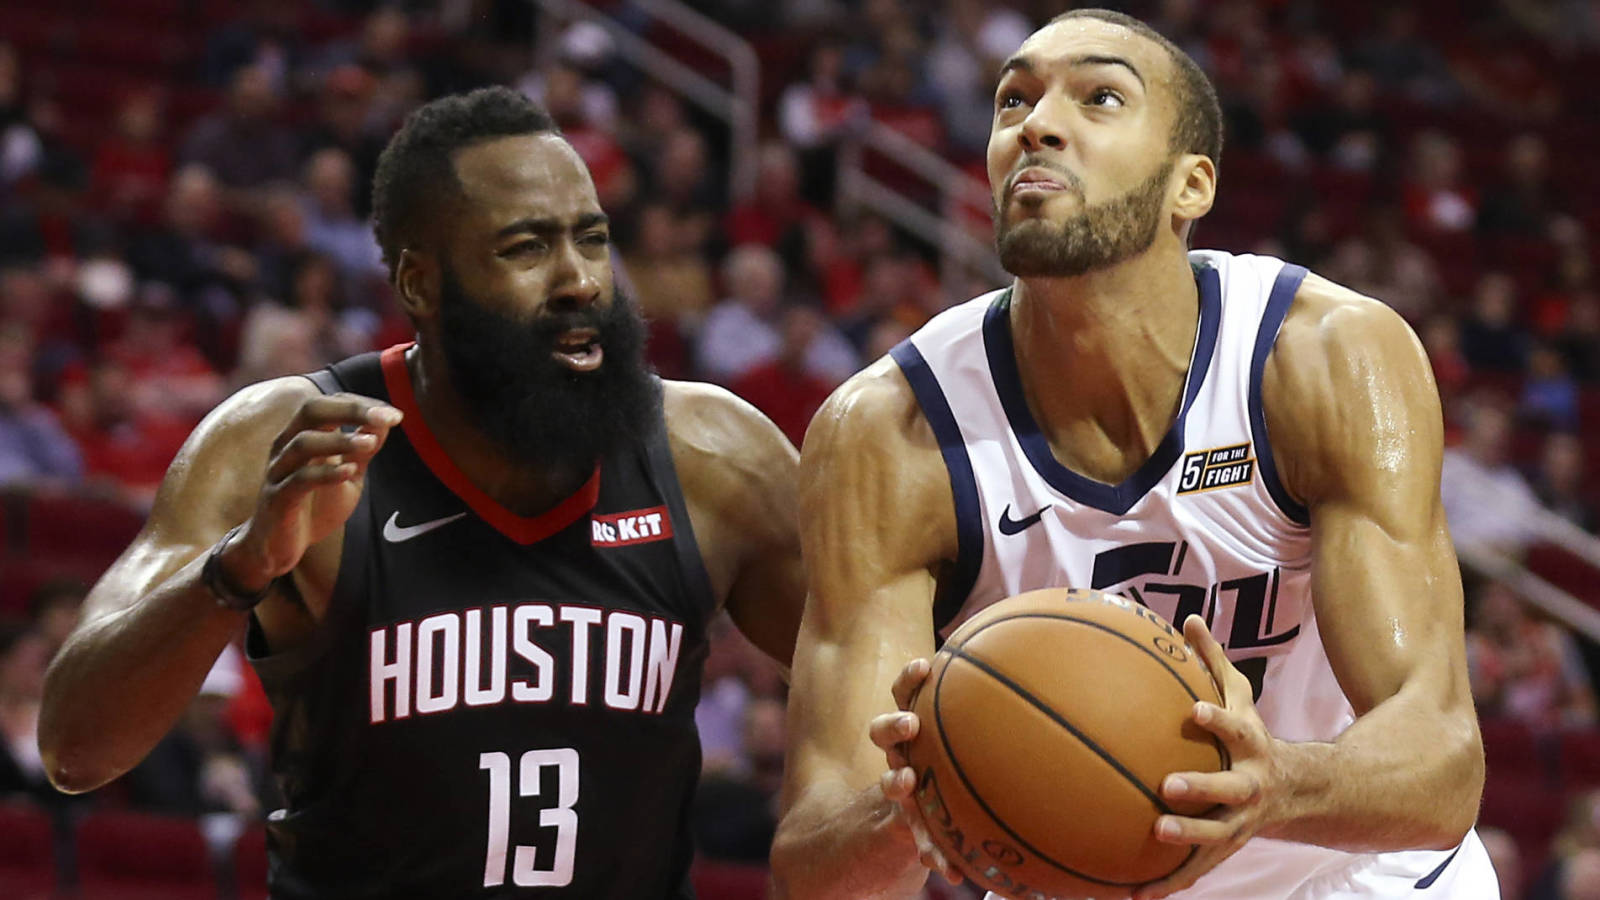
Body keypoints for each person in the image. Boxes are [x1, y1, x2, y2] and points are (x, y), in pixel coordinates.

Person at [773, 9, 1491, 900]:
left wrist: (1277, 787)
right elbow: (814, 870)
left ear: (1191, 185)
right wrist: (908, 811)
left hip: (1351, 876)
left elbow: (1442, 765)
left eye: (1100, 96)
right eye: (1013, 99)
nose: (1034, 123)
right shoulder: (887, 434)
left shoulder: (1322, 356)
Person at [40, 87, 805, 899]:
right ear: (419, 284)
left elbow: (887, 670)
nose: (580, 279)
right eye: (525, 248)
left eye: (591, 238)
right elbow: (76, 748)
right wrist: (242, 566)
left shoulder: (712, 454)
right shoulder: (285, 442)